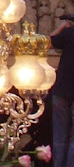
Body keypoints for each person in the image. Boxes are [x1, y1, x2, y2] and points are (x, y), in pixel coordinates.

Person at [51, 16, 74, 167]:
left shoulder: (70, 33)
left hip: (61, 90)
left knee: (59, 137)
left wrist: (63, 26)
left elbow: (48, 42)